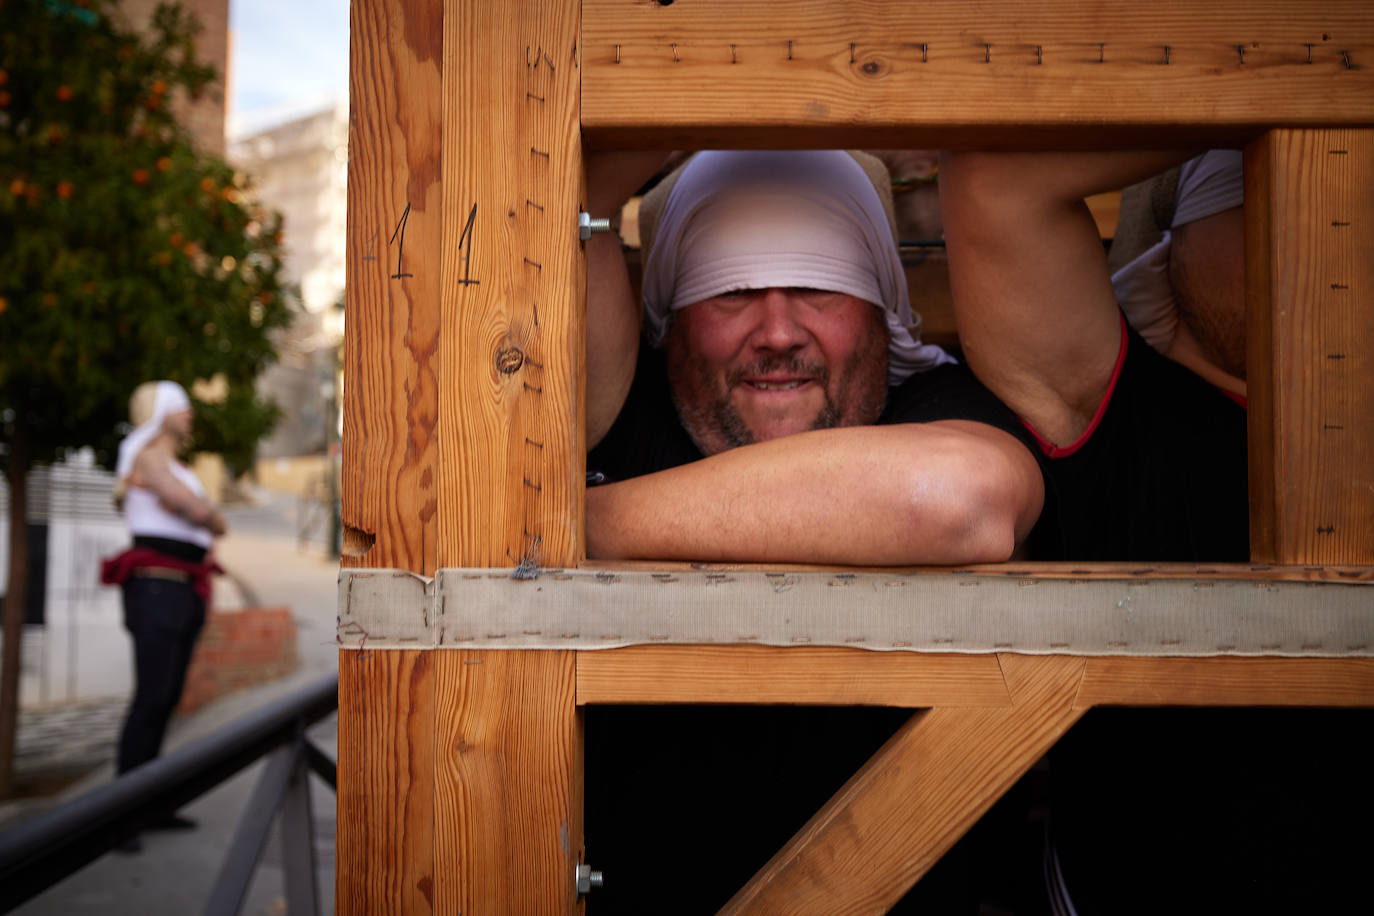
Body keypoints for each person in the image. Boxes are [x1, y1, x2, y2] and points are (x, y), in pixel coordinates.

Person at [580, 150, 1047, 913]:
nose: (775, 331)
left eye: (815, 286)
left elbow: (955, 499)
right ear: (672, 321)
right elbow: (575, 192)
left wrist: (582, 523)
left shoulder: (938, 404)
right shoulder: (623, 417)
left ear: (878, 311)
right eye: (730, 291)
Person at [938, 150, 1370, 914]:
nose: (1310, 236)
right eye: (1253, 190)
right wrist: (1283, 73)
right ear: (1174, 242)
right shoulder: (1116, 404)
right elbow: (997, 182)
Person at [100, 380, 225, 850]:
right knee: (150, 699)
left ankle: (149, 804)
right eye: (182, 406)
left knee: (167, 699)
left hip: (182, 588)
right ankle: (121, 817)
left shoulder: (172, 465)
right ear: (162, 412)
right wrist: (204, 511)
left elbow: (207, 514)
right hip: (155, 586)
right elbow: (192, 509)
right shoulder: (147, 456)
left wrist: (204, 512)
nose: (190, 413)